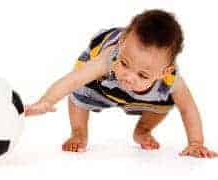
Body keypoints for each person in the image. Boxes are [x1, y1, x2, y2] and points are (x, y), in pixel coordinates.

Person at [24, 9, 218, 158]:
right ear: (123, 42)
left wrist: (196, 142)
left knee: (165, 101)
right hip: (103, 84)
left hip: (143, 96)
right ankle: (79, 133)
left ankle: (143, 131)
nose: (129, 77)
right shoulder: (109, 58)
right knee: (80, 90)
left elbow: (188, 109)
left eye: (142, 75)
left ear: (164, 71)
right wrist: (46, 100)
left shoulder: (170, 78)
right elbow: (72, 80)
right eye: (125, 63)